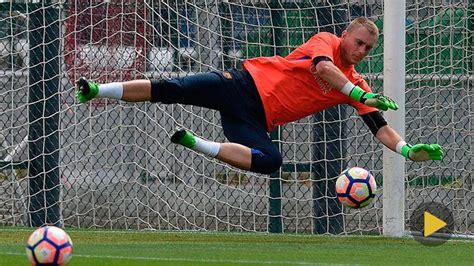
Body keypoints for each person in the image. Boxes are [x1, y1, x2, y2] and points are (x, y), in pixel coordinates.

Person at [75, 17, 443, 175]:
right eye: (358, 42)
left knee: (270, 160)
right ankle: (96, 89)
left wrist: (408, 150)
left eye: (368, 47)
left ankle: (196, 142)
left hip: (254, 120)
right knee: (174, 88)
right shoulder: (327, 43)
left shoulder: (358, 84)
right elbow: (321, 69)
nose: (361, 50)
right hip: (243, 83)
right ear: (346, 35)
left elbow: (379, 127)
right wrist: (357, 92)